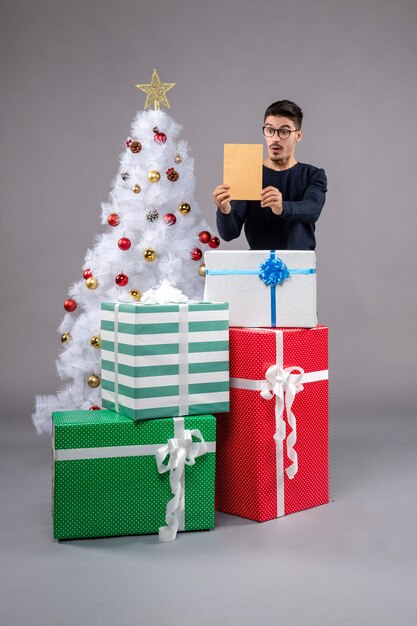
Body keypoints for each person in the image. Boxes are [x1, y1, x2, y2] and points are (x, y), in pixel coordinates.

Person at [213, 100, 327, 250]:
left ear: (298, 135)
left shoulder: (313, 175)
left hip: (299, 267)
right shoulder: (248, 172)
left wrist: (282, 207)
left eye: (284, 132)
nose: (275, 138)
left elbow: (312, 210)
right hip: (258, 267)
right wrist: (224, 210)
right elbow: (229, 234)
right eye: (270, 130)